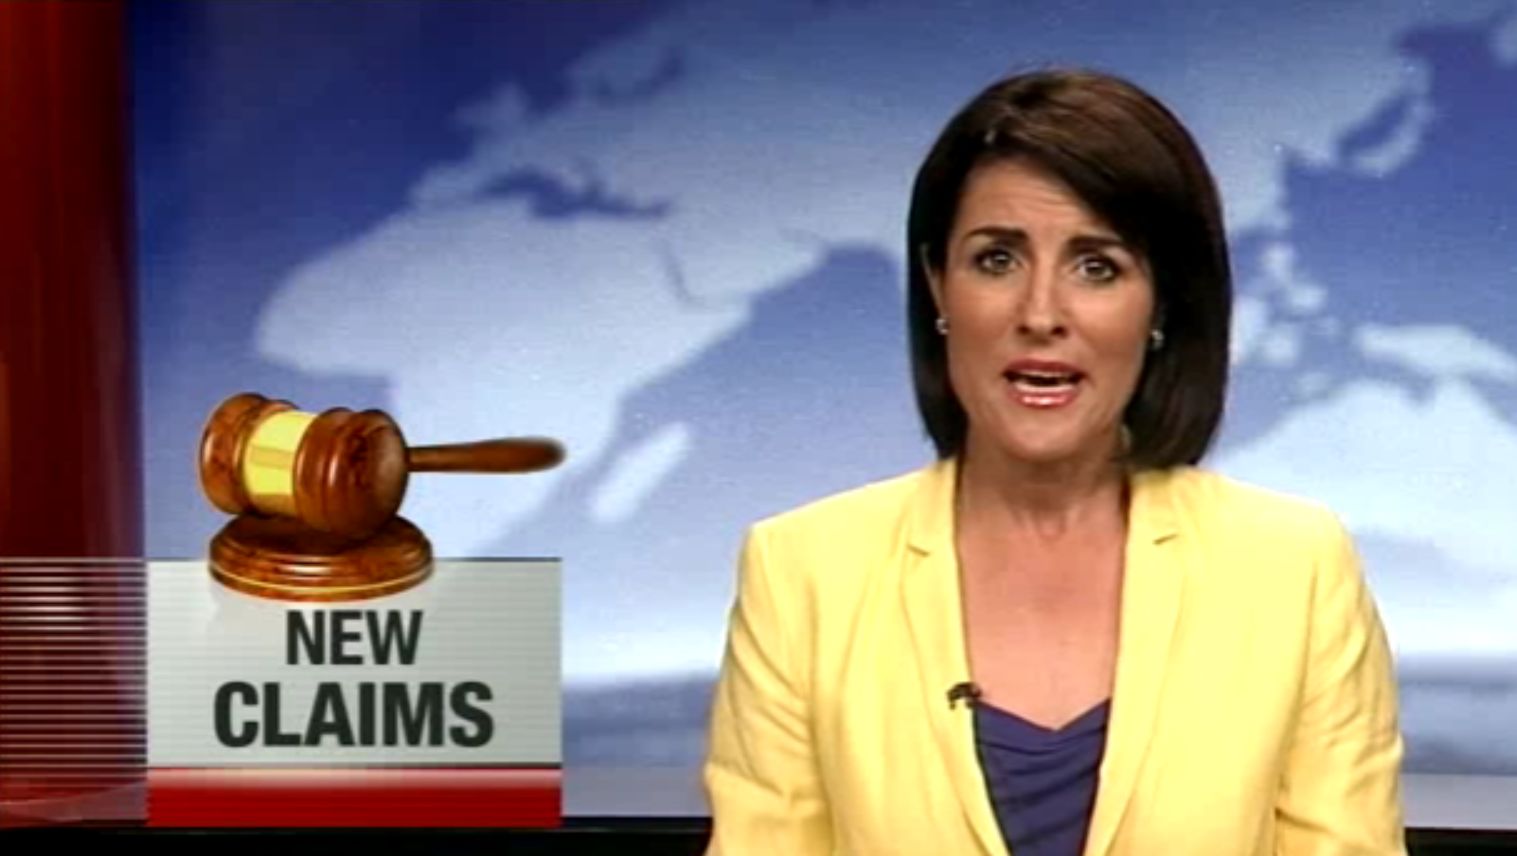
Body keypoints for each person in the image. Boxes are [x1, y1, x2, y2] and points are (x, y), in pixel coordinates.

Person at [701, 67, 1406, 855]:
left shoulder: (1293, 570)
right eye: (996, 260)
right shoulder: (801, 573)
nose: (1040, 314)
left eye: (1096, 266)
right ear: (937, 285)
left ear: (1162, 303)